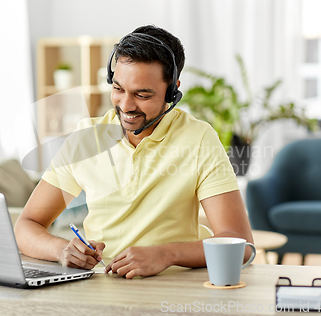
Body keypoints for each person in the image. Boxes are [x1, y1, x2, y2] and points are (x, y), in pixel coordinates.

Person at [14, 25, 254, 279]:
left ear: (172, 90)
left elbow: (240, 244)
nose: (126, 105)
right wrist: (62, 250)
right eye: (118, 89)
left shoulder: (199, 139)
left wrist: (165, 254)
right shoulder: (85, 139)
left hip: (172, 287)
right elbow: (26, 225)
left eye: (142, 94)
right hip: (98, 287)